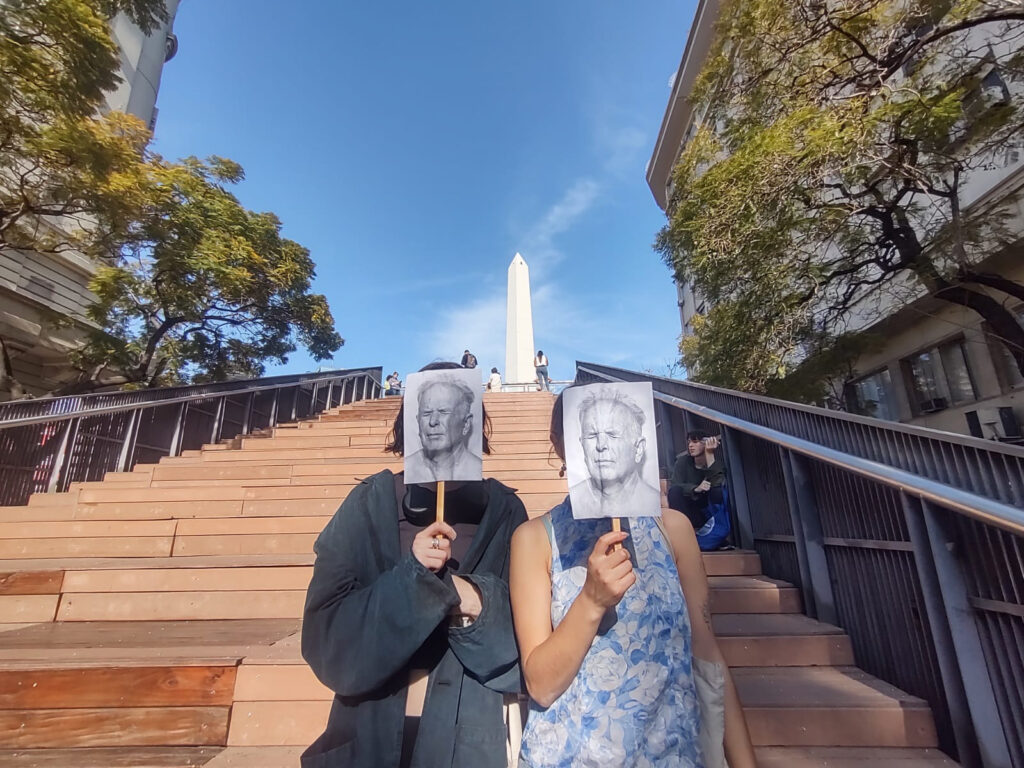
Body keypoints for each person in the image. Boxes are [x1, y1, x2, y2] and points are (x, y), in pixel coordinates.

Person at [509, 390, 756, 768]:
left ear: (640, 445)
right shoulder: (534, 540)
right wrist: (590, 602)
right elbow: (541, 685)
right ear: (562, 446)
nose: (603, 447)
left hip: (673, 755)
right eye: (590, 435)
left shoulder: (673, 530)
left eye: (615, 433)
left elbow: (707, 659)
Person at [302, 361, 528, 768]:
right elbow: (325, 641)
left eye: (447, 412)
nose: (435, 422)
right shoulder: (369, 505)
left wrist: (472, 598)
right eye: (426, 412)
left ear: (468, 422)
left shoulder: (505, 512)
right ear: (410, 422)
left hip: (472, 741)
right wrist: (413, 579)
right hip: (367, 739)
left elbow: (527, 647)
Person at [568, 389, 661, 519]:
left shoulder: (655, 503)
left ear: (639, 448)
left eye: (612, 435)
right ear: (582, 444)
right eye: (592, 435)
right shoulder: (571, 503)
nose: (601, 445)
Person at [404, 374, 483, 483]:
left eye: (443, 412)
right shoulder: (408, 467)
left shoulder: (475, 468)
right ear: (418, 421)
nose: (433, 421)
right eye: (426, 413)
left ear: (466, 423)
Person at [668, 431, 731, 550]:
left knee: (717, 492)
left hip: (705, 512)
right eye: (689, 442)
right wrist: (695, 488)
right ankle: (681, 534)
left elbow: (717, 483)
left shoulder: (715, 463)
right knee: (674, 491)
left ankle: (714, 533)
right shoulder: (682, 462)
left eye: (695, 442)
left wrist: (709, 454)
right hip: (688, 510)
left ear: (705, 442)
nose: (690, 445)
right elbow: (675, 484)